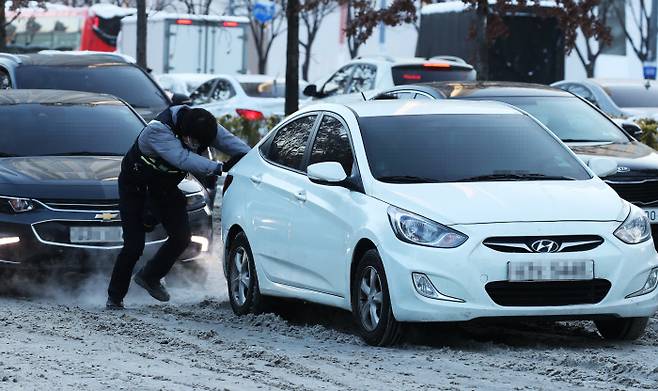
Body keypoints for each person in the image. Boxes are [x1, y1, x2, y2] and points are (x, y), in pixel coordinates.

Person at [106, 106, 250, 309]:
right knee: (133, 246)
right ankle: (115, 298)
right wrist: (221, 168)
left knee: (181, 237)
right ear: (183, 132)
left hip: (163, 188)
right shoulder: (157, 131)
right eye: (194, 142)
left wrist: (251, 158)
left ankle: (150, 276)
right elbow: (183, 159)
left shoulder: (203, 125)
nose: (197, 146)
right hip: (136, 189)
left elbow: (235, 145)